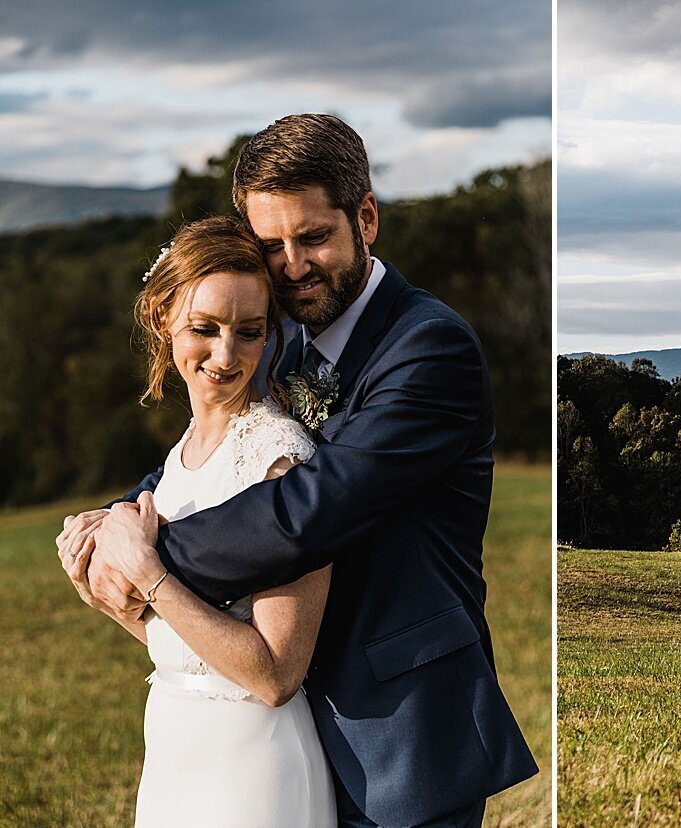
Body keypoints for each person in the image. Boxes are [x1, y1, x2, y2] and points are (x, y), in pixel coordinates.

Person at [64, 113, 535, 827]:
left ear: (366, 219)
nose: (290, 264)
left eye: (313, 236)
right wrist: (114, 519)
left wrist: (143, 558)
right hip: (286, 726)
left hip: (400, 730)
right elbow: (215, 456)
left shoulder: (431, 348)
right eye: (271, 244)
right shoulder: (276, 341)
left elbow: (307, 512)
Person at [58, 217, 333, 825]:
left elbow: (276, 674)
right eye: (204, 329)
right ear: (163, 320)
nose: (226, 354)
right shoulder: (179, 457)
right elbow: (188, 651)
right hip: (176, 744)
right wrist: (102, 597)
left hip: (254, 766)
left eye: (250, 331)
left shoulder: (277, 456)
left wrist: (146, 573)